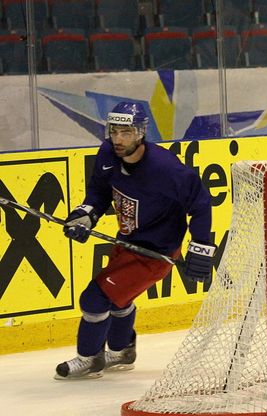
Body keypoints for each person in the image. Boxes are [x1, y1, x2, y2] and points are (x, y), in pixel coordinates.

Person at [55, 101, 214, 380]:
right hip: (127, 241)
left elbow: (200, 204)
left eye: (126, 132)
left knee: (94, 299)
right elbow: (99, 192)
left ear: (141, 133)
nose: (118, 139)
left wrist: (200, 247)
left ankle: (90, 358)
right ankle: (122, 350)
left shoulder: (165, 168)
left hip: (155, 252)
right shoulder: (107, 154)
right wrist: (85, 215)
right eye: (114, 131)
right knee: (119, 300)